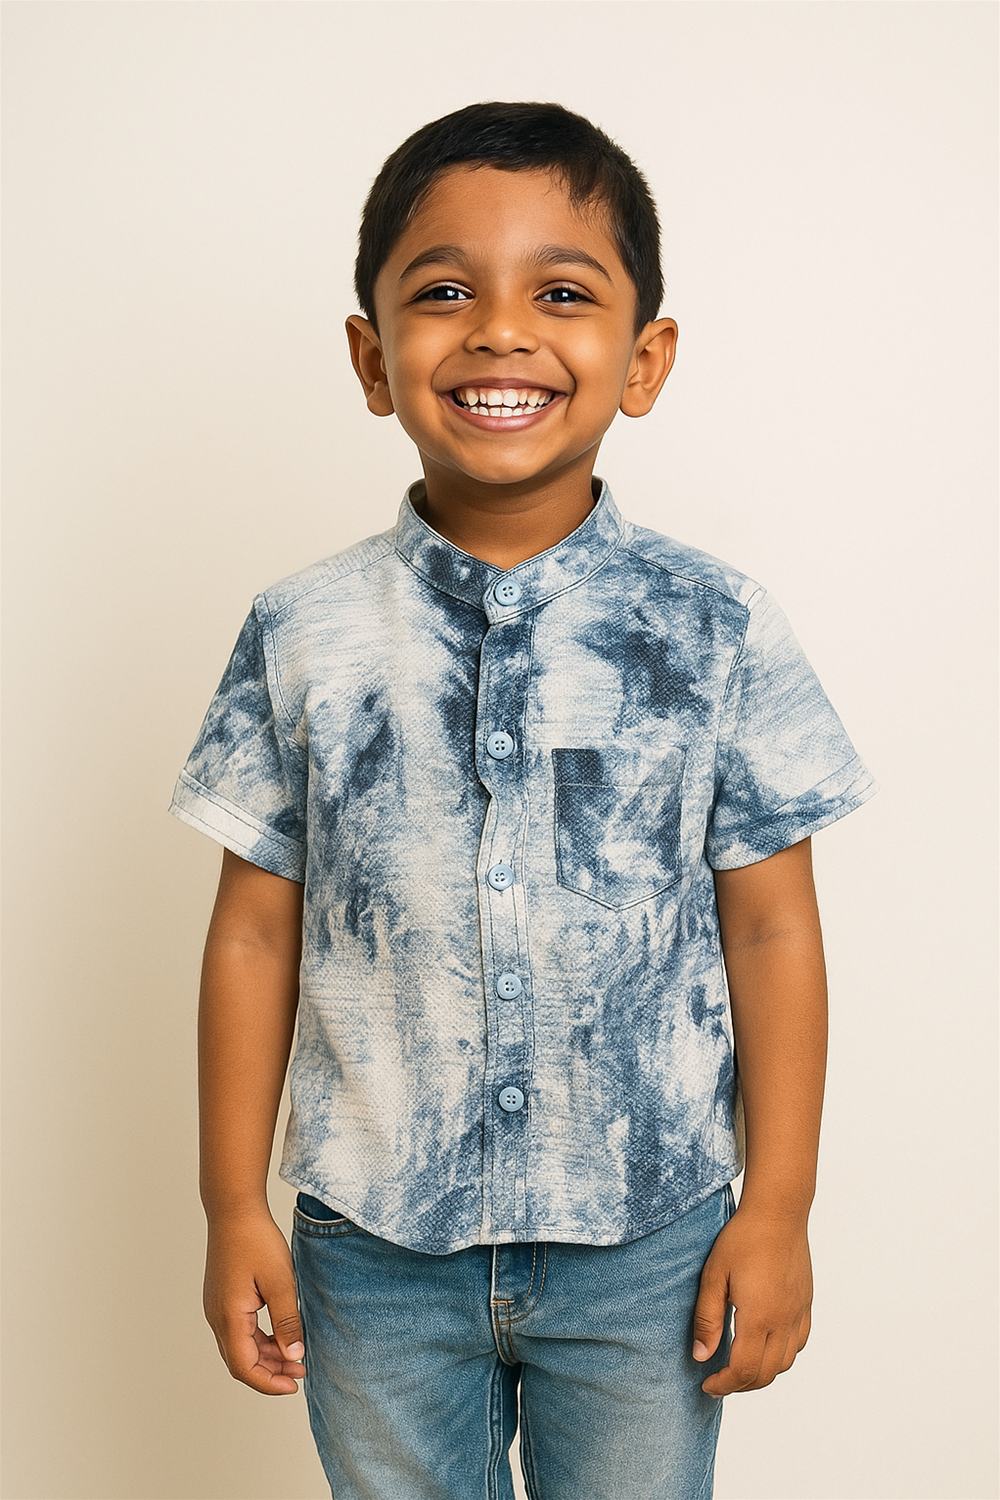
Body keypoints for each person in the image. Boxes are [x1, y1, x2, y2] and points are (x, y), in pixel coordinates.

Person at [169, 101, 877, 1500]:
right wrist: (229, 1205)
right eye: (444, 292)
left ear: (645, 356)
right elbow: (254, 934)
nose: (500, 330)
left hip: (646, 1242)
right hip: (374, 1247)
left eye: (562, 292)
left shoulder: (716, 627)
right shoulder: (302, 632)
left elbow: (774, 935)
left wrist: (779, 1207)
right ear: (374, 359)